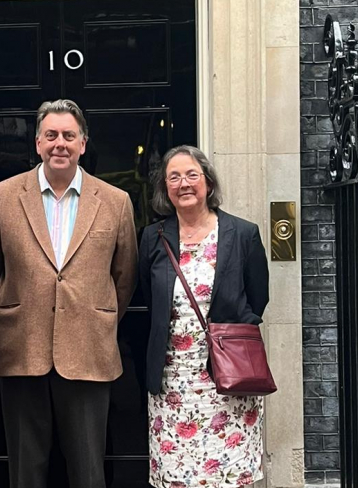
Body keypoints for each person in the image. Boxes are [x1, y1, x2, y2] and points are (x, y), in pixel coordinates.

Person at [0, 99, 138, 488]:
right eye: (51, 135)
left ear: (83, 143)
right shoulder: (2, 196)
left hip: (88, 348)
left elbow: (125, 275)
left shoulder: (116, 202)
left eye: (69, 135)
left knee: (88, 471)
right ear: (37, 143)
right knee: (25, 472)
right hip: (21, 348)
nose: (60, 144)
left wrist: (96, 316)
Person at [138, 145, 268, 488]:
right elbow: (148, 297)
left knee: (227, 475)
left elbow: (258, 298)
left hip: (229, 379)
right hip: (172, 380)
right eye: (174, 177)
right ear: (165, 188)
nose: (184, 183)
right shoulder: (154, 237)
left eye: (192, 174)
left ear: (208, 182)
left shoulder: (243, 234)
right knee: (178, 474)